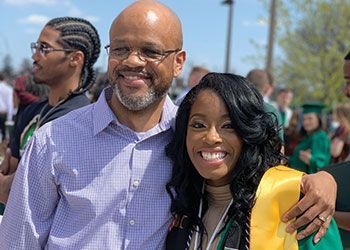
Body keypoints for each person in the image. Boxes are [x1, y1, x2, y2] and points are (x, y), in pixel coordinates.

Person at [0, 1, 337, 248]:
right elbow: (18, 240)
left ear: (178, 63)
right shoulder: (53, 141)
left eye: (150, 51)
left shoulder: (196, 139)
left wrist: (325, 181)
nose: (133, 61)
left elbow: (260, 175)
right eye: (121, 49)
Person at [165, 73, 342, 249]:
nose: (211, 137)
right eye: (198, 125)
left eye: (229, 125)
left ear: (249, 132)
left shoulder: (297, 205)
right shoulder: (178, 198)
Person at [0, 16, 101, 209]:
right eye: (36, 47)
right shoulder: (33, 110)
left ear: (75, 58)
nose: (35, 56)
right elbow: (10, 176)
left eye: (44, 49)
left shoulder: (81, 119)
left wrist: (9, 183)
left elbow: (20, 191)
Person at [289, 103, 331, 174]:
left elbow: (322, 164)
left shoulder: (320, 137)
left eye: (310, 118)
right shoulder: (307, 136)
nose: (306, 122)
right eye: (303, 119)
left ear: (318, 119)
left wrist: (310, 159)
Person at [0, 73, 14, 141]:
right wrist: (9, 118)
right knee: (5, 135)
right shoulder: (8, 89)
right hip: (3, 114)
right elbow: (10, 104)